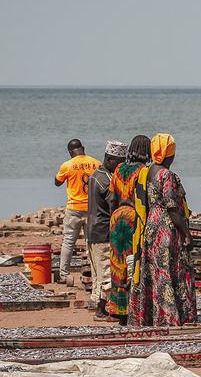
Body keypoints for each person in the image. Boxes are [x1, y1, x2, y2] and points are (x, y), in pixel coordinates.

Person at [128, 133, 197, 327]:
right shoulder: (166, 174)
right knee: (171, 269)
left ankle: (152, 315)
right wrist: (186, 233)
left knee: (154, 270)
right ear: (169, 154)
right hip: (167, 227)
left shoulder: (148, 171)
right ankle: (170, 316)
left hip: (152, 223)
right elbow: (172, 207)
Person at [106, 135, 151, 325]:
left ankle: (118, 310)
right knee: (134, 262)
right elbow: (144, 199)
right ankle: (133, 309)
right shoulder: (144, 171)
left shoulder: (119, 169)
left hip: (117, 217)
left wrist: (113, 216)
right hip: (134, 218)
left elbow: (110, 198)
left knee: (118, 263)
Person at [85, 141, 126, 320]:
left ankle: (103, 307)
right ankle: (102, 310)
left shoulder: (98, 175)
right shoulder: (104, 179)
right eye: (119, 162)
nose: (121, 165)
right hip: (103, 232)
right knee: (107, 272)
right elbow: (112, 203)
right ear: (109, 159)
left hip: (94, 230)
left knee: (99, 273)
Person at [53, 139, 101, 282]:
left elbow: (57, 182)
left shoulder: (67, 165)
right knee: (91, 242)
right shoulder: (96, 163)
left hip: (74, 208)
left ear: (70, 152)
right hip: (92, 208)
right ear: (83, 148)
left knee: (68, 241)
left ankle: (64, 275)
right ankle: (95, 273)